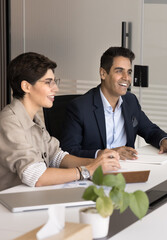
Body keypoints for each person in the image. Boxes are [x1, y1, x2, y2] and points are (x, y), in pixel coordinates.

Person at [0, 52, 121, 191]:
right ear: (26, 86)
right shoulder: (9, 122)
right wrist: (86, 170)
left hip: (31, 197)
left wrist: (97, 163)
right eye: (48, 82)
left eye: (54, 82)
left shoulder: (35, 119)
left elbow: (56, 156)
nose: (55, 88)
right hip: (9, 204)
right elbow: (35, 176)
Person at [61, 47, 167, 159]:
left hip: (128, 166)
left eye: (129, 72)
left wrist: (165, 141)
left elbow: (150, 130)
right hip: (96, 172)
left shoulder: (130, 101)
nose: (126, 78)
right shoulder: (80, 107)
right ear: (103, 73)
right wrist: (106, 154)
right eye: (119, 71)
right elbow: (68, 152)